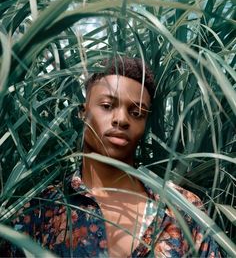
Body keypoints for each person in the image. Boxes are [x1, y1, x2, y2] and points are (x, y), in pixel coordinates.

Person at [2, 57, 221, 257]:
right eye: (107, 106)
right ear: (82, 111)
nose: (121, 119)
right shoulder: (40, 210)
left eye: (136, 113)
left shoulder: (182, 208)